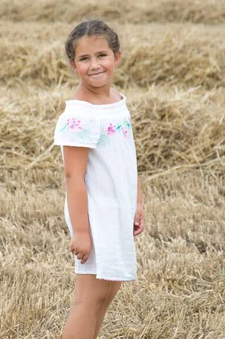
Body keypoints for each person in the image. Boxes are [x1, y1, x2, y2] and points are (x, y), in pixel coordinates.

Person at [53, 20, 145, 338]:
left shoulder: (117, 101)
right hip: (93, 215)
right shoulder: (79, 115)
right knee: (88, 300)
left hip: (117, 207)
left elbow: (126, 157)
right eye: (84, 59)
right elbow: (73, 176)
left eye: (102, 55)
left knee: (106, 293)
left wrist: (136, 202)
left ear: (117, 57)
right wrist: (81, 232)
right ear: (73, 65)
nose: (95, 65)